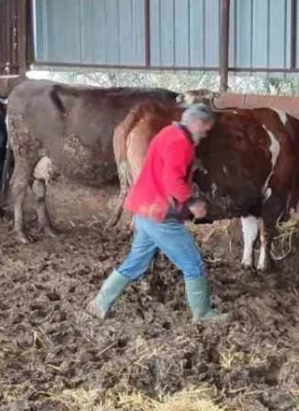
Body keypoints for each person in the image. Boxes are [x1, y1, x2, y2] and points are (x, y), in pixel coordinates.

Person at [88, 103, 227, 322]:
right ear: (198, 123)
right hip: (159, 214)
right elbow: (172, 180)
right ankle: (203, 313)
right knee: (192, 263)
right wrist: (192, 202)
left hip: (143, 209)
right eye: (206, 128)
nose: (205, 134)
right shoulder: (182, 143)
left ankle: (100, 302)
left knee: (136, 262)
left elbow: (165, 167)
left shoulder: (168, 133)